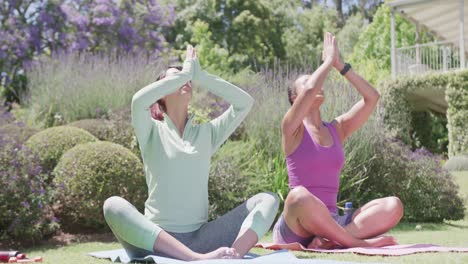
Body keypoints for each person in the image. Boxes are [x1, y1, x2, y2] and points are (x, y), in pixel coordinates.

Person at [103, 45, 279, 260]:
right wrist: (185, 72)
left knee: (268, 199)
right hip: (155, 240)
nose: (184, 80)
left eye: (186, 78)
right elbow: (138, 101)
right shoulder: (150, 130)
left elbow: (244, 104)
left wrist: (202, 76)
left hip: (200, 239)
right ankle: (196, 260)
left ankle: (233, 256)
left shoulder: (207, 133)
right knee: (112, 205)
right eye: (175, 79)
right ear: (161, 92)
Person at [273, 32, 404, 249]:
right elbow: (310, 89)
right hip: (298, 225)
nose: (318, 85)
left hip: (332, 221)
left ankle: (329, 241)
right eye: (310, 82)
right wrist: (326, 62)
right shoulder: (291, 129)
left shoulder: (337, 129)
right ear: (295, 99)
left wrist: (340, 65)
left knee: (393, 205)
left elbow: (372, 97)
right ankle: (354, 242)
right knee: (298, 196)